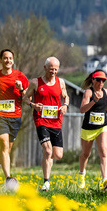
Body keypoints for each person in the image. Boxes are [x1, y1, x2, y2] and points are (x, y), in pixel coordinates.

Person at [22, 56, 69, 192]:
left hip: (56, 121)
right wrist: (33, 105)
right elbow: (25, 97)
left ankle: (47, 160)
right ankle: (46, 182)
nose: (53, 72)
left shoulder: (61, 83)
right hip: (41, 120)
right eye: (50, 69)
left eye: (55, 69)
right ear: (44, 68)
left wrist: (65, 105)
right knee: (48, 151)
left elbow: (66, 96)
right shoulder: (35, 83)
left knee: (58, 155)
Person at [0, 48, 29, 188]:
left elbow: (27, 96)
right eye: (5, 58)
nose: (7, 60)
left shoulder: (20, 76)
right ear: (0, 60)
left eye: (10, 58)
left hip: (15, 117)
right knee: (3, 143)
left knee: (7, 150)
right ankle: (8, 179)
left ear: (13, 61)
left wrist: (21, 88)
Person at [79, 70, 107, 191]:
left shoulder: (106, 92)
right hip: (88, 128)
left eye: (103, 80)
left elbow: (106, 101)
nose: (101, 82)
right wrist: (94, 100)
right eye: (98, 80)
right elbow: (82, 110)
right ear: (93, 80)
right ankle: (81, 174)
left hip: (102, 126)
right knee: (85, 154)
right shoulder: (89, 92)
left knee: (104, 152)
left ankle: (105, 179)